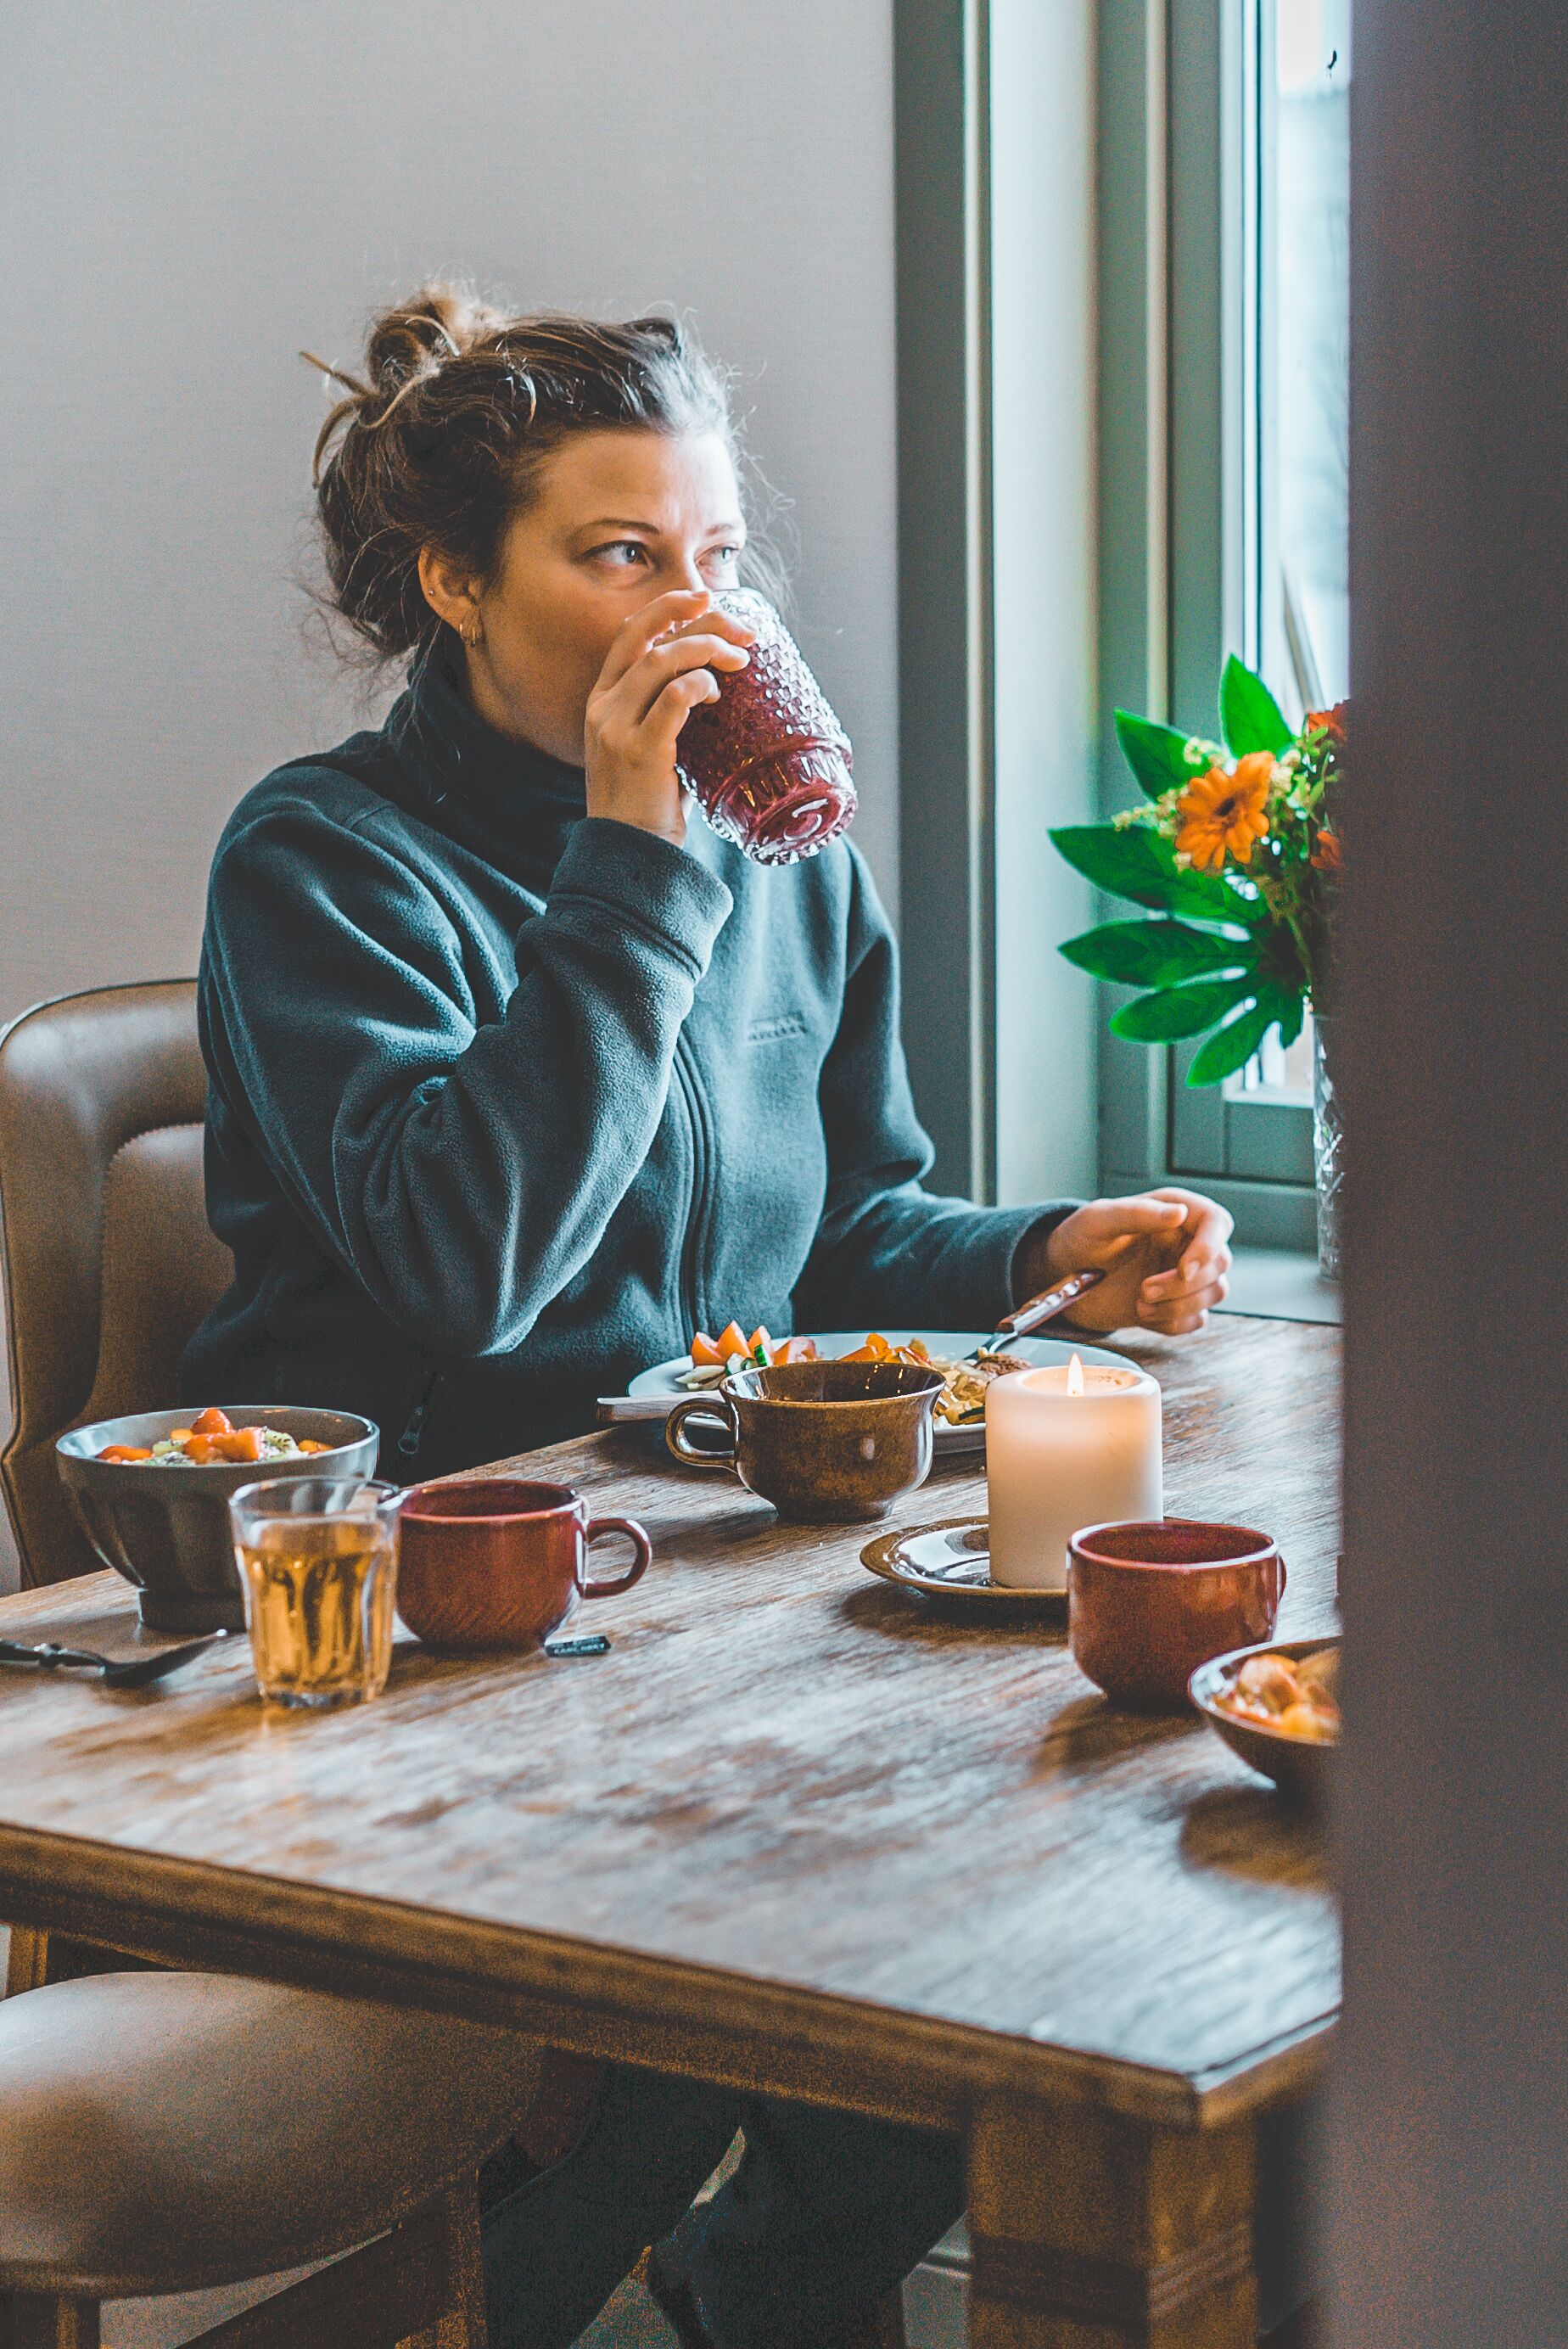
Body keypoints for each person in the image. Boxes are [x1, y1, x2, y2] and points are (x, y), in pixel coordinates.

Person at [183, 289, 1309, 2346]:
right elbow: (474, 1262)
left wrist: (1053, 1246)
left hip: (718, 1593)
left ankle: (761, 2283)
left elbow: (844, 1220)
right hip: (447, 1623)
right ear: (456, 582)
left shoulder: (770, 859)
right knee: (797, 1969)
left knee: (1009, 1915)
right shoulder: (324, 862)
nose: (689, 610)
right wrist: (632, 856)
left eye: (714, 558)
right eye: (619, 556)